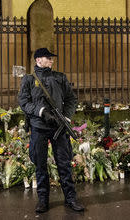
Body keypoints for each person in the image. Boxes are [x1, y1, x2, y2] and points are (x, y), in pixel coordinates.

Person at [18, 47, 84, 213]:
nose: (52, 60)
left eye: (52, 58)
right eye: (48, 58)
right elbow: (24, 102)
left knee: (64, 164)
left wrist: (66, 118)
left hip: (59, 127)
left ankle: (70, 199)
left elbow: (71, 99)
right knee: (40, 164)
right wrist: (41, 112)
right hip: (39, 127)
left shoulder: (60, 77)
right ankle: (43, 200)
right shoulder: (28, 79)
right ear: (38, 60)